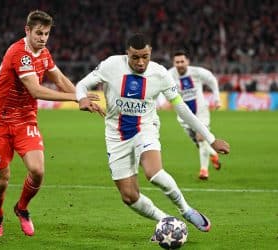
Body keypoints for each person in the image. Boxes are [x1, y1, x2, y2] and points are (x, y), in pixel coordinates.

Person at [76, 34, 230, 239]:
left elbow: (181, 108)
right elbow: (81, 85)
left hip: (145, 127)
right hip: (116, 135)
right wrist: (81, 99)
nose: (141, 62)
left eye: (145, 57)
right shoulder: (111, 65)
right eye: (135, 57)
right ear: (127, 54)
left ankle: (186, 210)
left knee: (153, 173)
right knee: (129, 196)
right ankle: (166, 221)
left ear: (151, 54)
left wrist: (211, 138)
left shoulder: (160, 74)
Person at [0, 10, 103, 237]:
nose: (43, 38)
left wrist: (81, 93)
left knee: (37, 171)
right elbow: (35, 90)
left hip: (25, 119)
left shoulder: (44, 53)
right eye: (39, 33)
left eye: (46, 33)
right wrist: (77, 99)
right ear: (27, 30)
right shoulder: (19, 53)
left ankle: (22, 208)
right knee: (2, 180)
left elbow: (59, 79)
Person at [169, 50, 222, 180]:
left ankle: (204, 171)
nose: (180, 64)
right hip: (183, 115)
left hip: (201, 112)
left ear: (187, 61)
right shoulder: (169, 75)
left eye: (182, 61)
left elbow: (212, 80)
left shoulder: (197, 72)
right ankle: (213, 153)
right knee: (199, 144)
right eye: (177, 62)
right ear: (174, 63)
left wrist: (217, 98)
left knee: (201, 138)